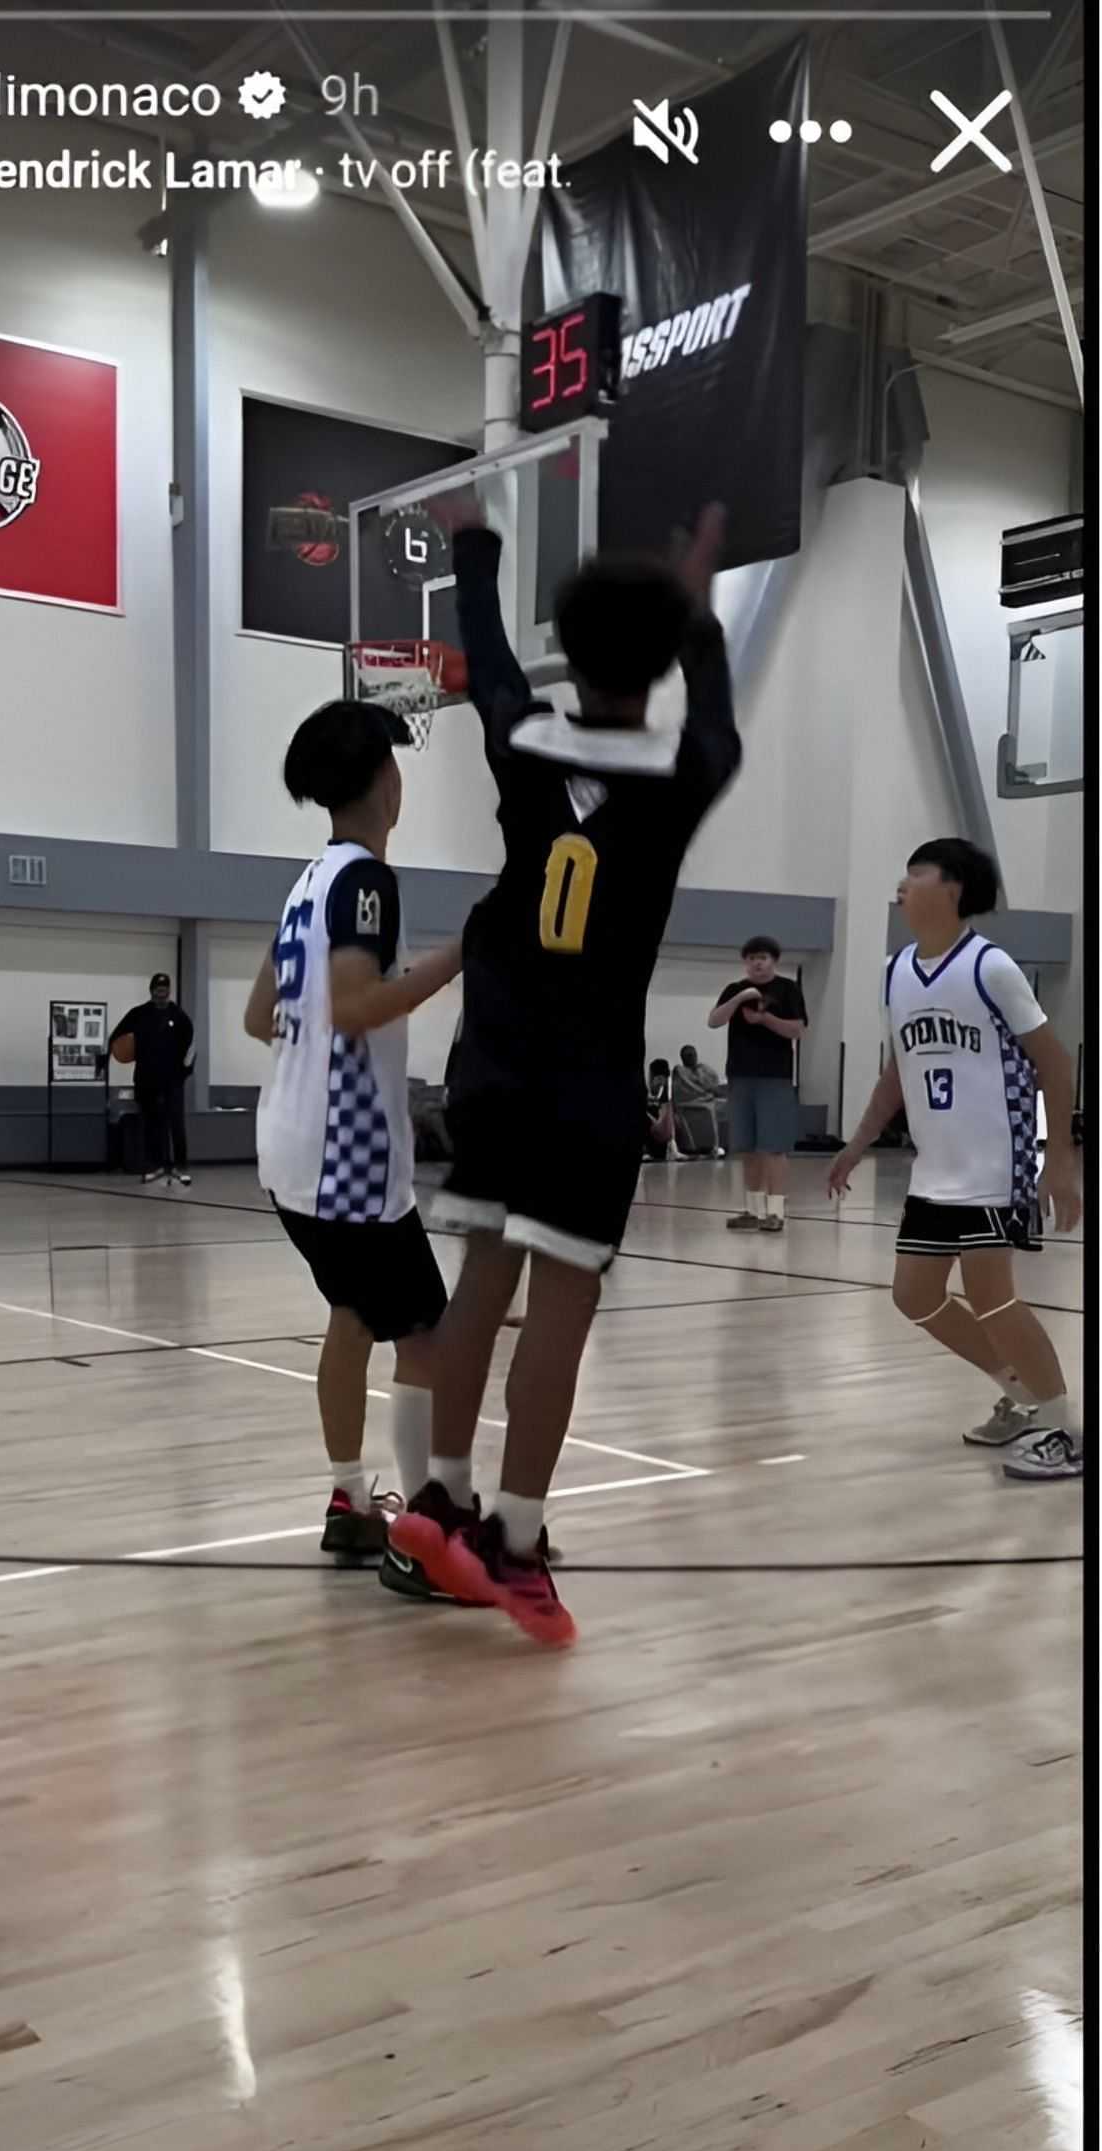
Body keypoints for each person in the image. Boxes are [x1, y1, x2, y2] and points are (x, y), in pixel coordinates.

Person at [390, 500, 740, 1646]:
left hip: (493, 1059)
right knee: (563, 1308)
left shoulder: (523, 740)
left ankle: (440, 1496)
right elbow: (715, 708)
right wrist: (697, 608)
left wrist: (474, 548)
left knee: (480, 1283)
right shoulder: (688, 766)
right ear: (663, 659)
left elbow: (490, 661)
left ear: (572, 656)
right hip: (589, 1079)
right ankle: (516, 1537)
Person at [245, 699, 463, 1573]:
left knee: (354, 1314)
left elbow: (260, 1015)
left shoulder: (307, 883)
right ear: (384, 779)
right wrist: (459, 956)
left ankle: (352, 1499)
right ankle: (428, 1534)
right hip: (349, 1160)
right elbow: (357, 1006)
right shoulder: (368, 882)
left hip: (287, 1150)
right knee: (427, 1338)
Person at [828, 838, 1083, 1481]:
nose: (901, 885)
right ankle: (1022, 1396)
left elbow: (1055, 1063)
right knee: (914, 1296)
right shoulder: (894, 972)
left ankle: (1070, 1431)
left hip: (995, 1161)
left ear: (954, 888)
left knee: (992, 1298)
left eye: (916, 873)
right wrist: (855, 1145)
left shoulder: (991, 967)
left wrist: (1059, 1161)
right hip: (936, 1169)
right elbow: (896, 1073)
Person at [709, 936, 807, 1230]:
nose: (757, 963)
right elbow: (714, 1020)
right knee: (747, 1148)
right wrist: (739, 999)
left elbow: (797, 1029)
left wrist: (764, 1020)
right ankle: (753, 1210)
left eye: (762, 958)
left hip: (774, 1077)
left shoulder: (788, 989)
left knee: (774, 1147)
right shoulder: (735, 989)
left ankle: (775, 1212)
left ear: (774, 960)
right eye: (751, 958)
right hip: (740, 1076)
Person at [111, 973, 194, 1184]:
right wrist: (106, 1056)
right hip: (146, 1079)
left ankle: (180, 1166)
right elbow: (117, 1035)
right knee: (151, 1124)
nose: (161, 993)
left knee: (176, 1123)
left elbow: (190, 1047)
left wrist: (184, 1072)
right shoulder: (139, 1014)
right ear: (152, 991)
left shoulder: (179, 1016)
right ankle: (155, 1165)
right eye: (158, 989)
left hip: (172, 1080)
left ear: (169, 991)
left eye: (164, 989)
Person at [672, 1043, 726, 1156]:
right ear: (682, 1058)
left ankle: (711, 1146)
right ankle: (710, 1147)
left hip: (697, 1103)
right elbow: (678, 1092)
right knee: (717, 1108)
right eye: (688, 1055)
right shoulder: (679, 1072)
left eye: (692, 1055)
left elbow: (713, 1086)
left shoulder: (703, 1069)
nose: (691, 1058)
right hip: (694, 1104)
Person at [645, 1058, 676, 1162]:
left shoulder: (661, 1082)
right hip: (668, 1122)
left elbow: (658, 1100)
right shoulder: (670, 1082)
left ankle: (650, 1151)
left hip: (662, 1125)